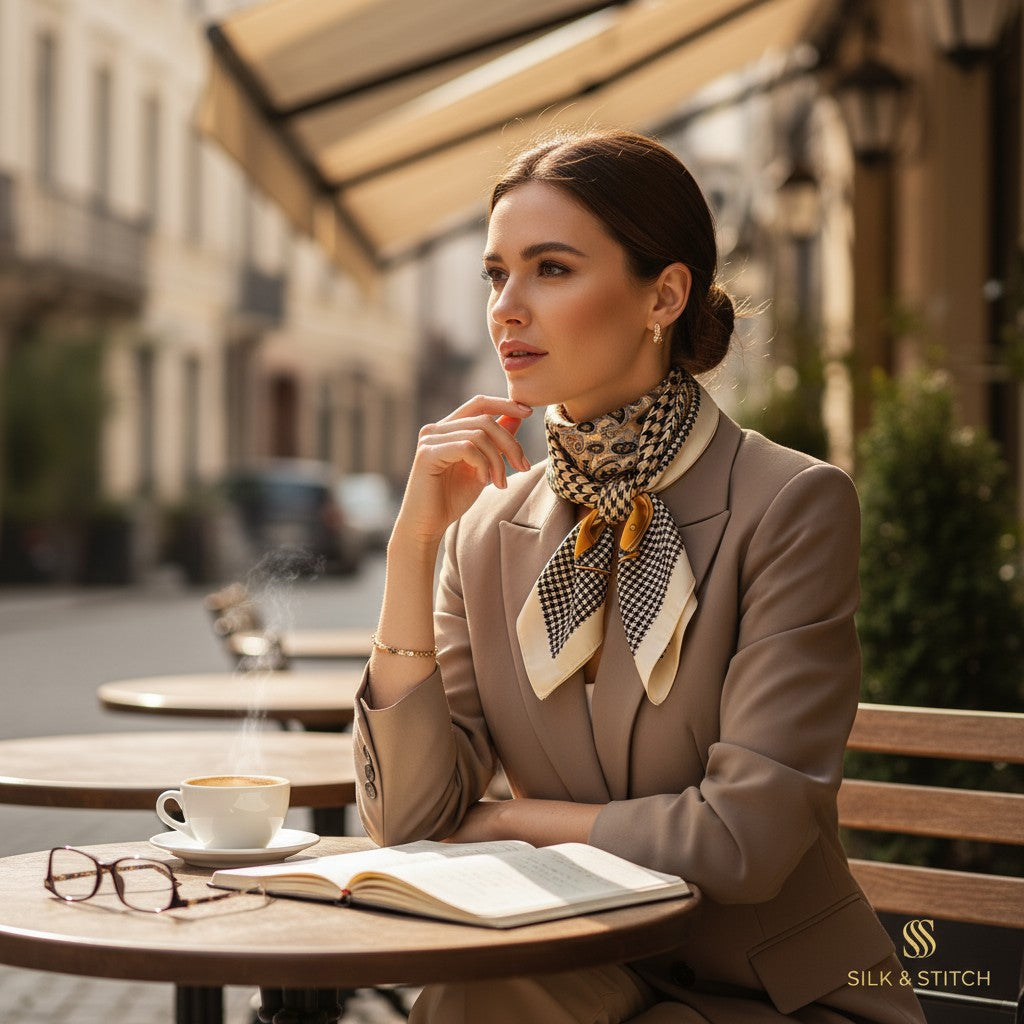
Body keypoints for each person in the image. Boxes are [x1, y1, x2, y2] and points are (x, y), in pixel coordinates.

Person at [352, 129, 925, 1024]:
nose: (506, 307)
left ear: (662, 294)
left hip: (772, 995)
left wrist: (505, 823)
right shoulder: (488, 530)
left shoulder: (792, 507)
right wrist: (412, 547)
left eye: (550, 269)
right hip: (580, 965)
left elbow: (743, 840)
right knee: (473, 991)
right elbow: (413, 818)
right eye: (495, 273)